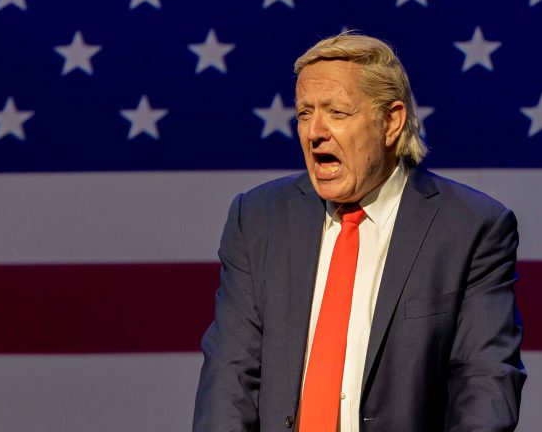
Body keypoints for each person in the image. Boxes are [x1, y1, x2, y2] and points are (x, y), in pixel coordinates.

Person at [193, 32, 525, 432]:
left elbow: (484, 384)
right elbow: (230, 378)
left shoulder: (471, 227)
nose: (314, 132)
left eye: (337, 113)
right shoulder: (259, 218)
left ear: (391, 121)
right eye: (303, 113)